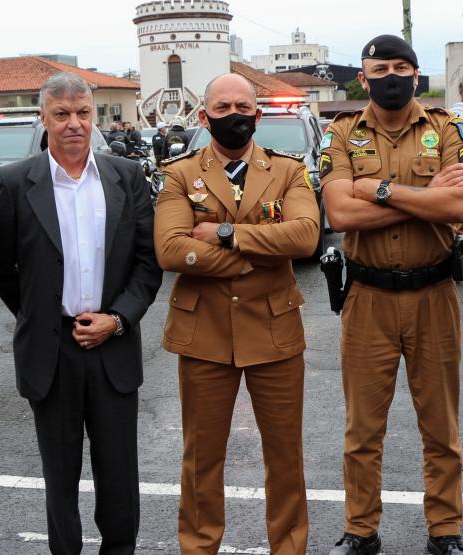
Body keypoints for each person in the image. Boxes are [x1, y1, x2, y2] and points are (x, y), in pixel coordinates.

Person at [0, 72, 162, 555]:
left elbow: (148, 263)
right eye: (61, 114)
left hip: (113, 343)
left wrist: (118, 318)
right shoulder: (17, 182)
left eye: (82, 113)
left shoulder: (125, 176)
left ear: (93, 115)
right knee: (59, 475)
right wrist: (38, 314)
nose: (73, 124)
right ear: (44, 118)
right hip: (52, 349)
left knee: (119, 473)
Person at [320, 35, 463, 555]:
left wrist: (381, 191)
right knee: (363, 428)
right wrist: (428, 199)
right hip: (368, 296)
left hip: (434, 294)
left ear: (416, 74)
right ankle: (361, 531)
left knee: (441, 425)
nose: (392, 75)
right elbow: (339, 214)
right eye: (380, 68)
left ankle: (445, 531)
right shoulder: (340, 133)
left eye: (401, 66)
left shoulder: (446, 128)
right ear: (362, 78)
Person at [153, 72, 320, 554]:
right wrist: (259, 255)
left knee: (285, 458)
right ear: (203, 117)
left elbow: (306, 236)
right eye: (222, 108)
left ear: (257, 114)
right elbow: (170, 248)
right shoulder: (180, 174)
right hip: (203, 333)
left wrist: (228, 236)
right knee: (201, 460)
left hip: (274, 330)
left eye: (242, 107)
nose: (234, 116)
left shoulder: (287, 171)